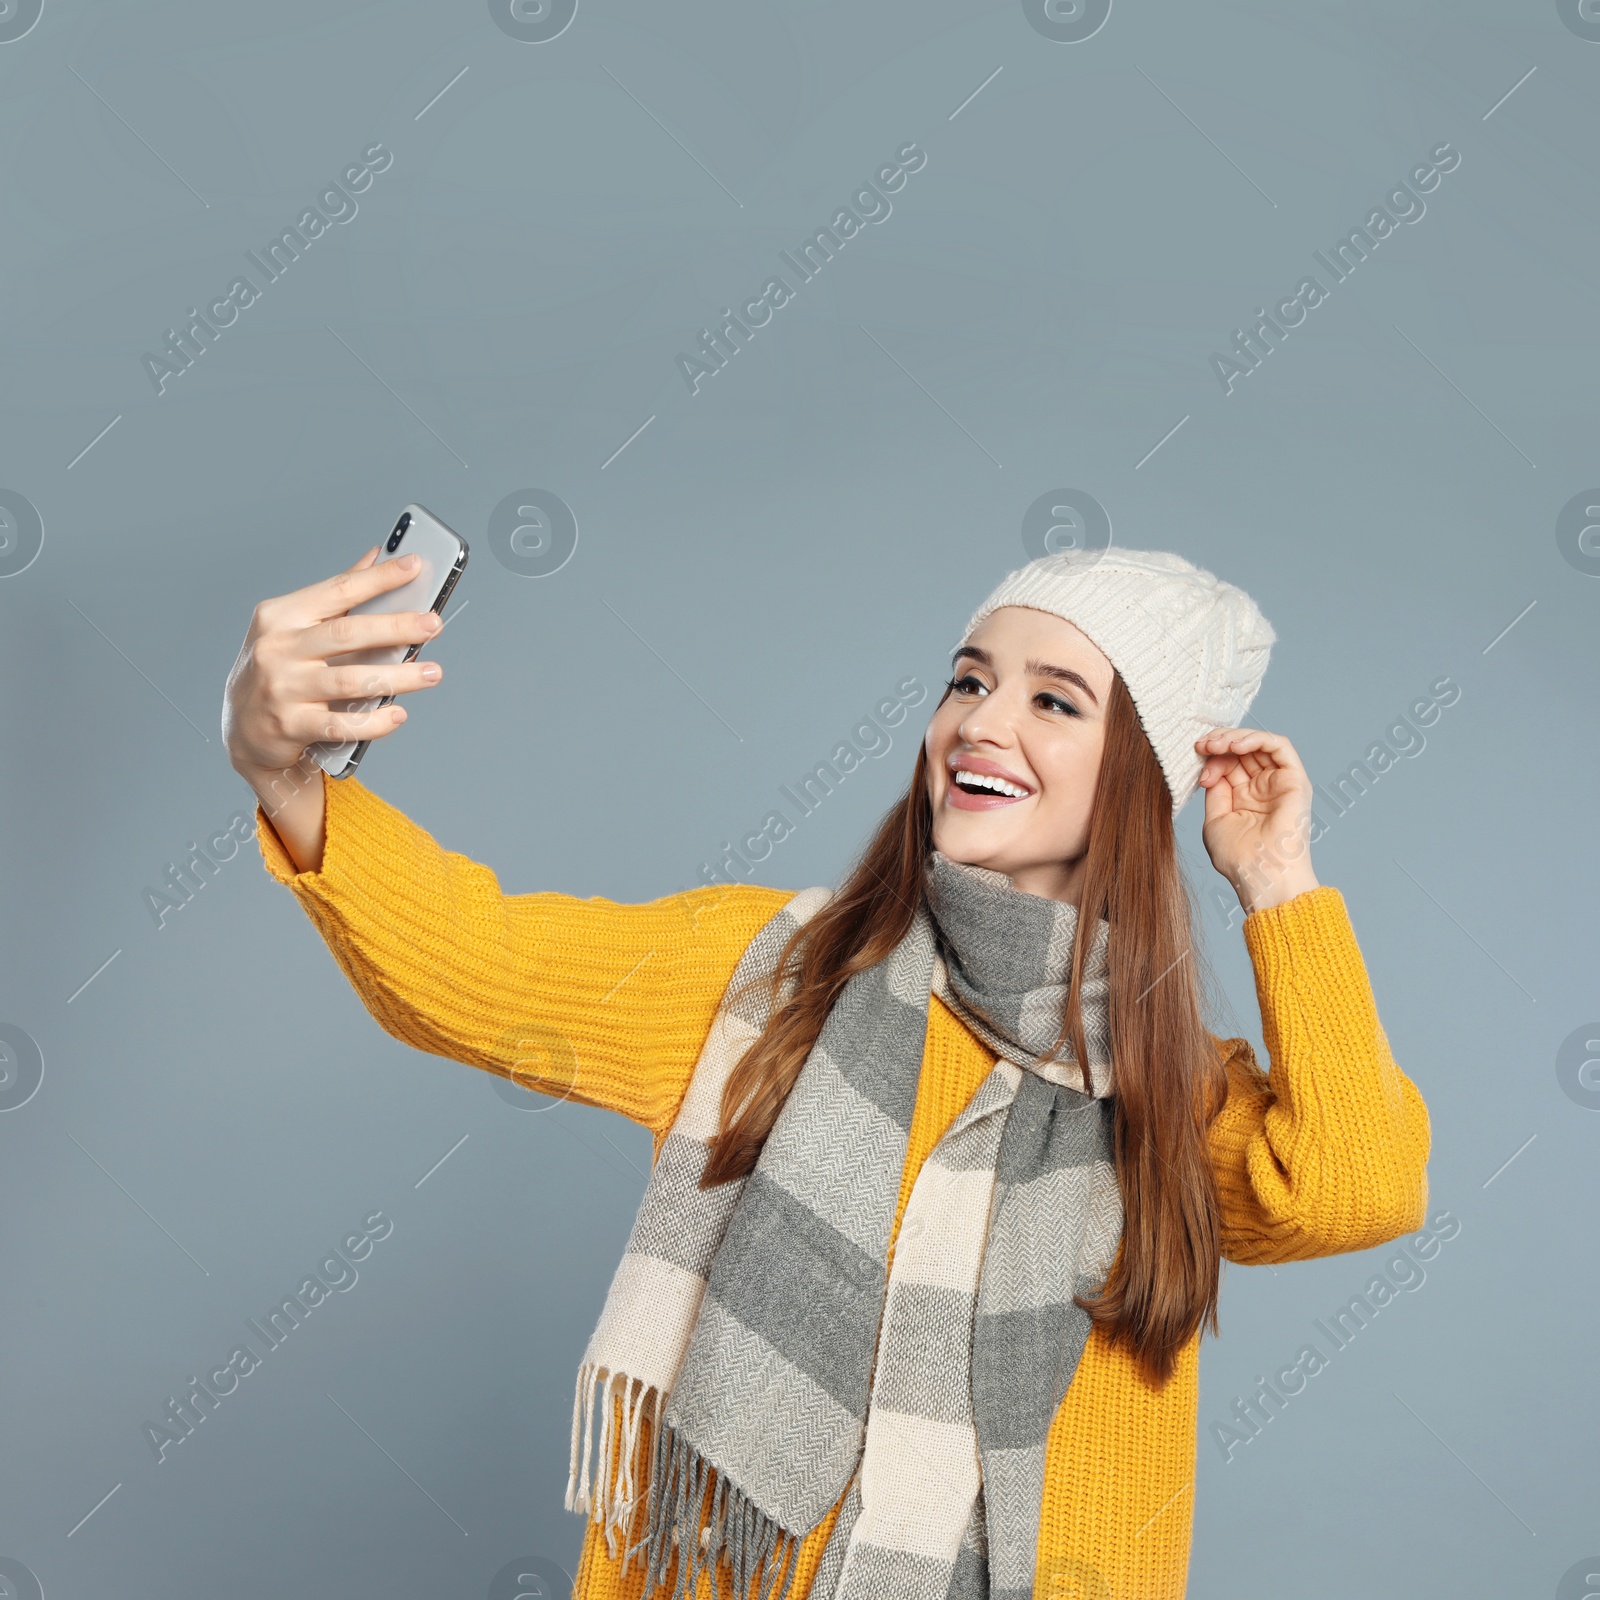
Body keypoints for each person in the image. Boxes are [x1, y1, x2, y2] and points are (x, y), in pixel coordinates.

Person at [223, 544, 1430, 1600]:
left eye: (1054, 701)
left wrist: (1280, 883)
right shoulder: (769, 977)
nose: (979, 723)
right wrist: (284, 774)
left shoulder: (1168, 1092)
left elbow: (1355, 1185)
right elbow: (473, 968)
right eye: (968, 679)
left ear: (1140, 774)